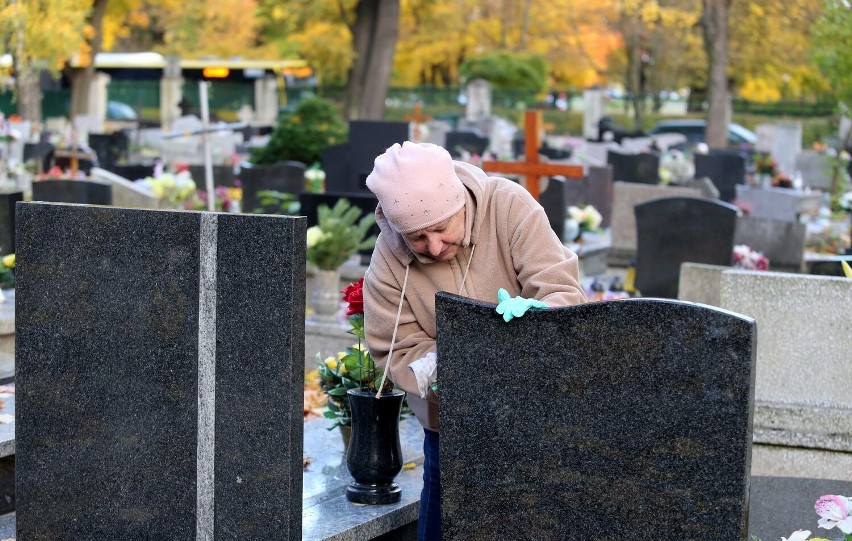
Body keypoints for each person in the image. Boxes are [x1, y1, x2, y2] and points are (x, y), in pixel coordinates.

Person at [362, 141, 587, 540]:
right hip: (452, 429)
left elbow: (561, 290)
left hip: (536, 417)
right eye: (417, 237)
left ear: (459, 204)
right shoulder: (388, 259)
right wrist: (452, 369)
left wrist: (540, 321)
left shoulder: (509, 207)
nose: (433, 247)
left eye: (441, 228)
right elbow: (393, 348)